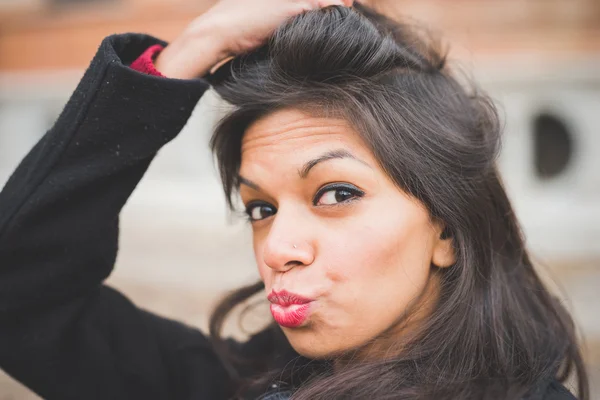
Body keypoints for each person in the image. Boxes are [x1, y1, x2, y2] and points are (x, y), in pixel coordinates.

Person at [0, 0, 589, 399]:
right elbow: (18, 299)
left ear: (448, 231)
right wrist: (185, 55)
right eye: (261, 208)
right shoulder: (232, 382)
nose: (278, 247)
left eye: (336, 193)